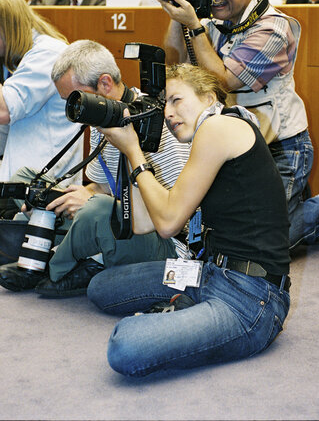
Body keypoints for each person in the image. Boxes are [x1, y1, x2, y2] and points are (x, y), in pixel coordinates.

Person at [87, 63, 291, 378]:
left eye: (176, 100)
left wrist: (135, 153)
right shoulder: (204, 142)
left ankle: (186, 315)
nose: (167, 113)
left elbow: (168, 223)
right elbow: (144, 223)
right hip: (205, 273)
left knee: (126, 345)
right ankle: (187, 309)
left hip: (250, 297)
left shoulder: (219, 127)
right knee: (102, 287)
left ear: (210, 98)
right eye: (164, 103)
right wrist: (132, 150)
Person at [160, 0, 319, 251]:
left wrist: (196, 27)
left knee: (260, 245)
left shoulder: (275, 28)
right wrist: (179, 20)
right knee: (218, 233)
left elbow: (225, 81)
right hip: (230, 146)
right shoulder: (212, 21)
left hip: (280, 149)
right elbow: (174, 66)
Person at [0, 40, 191, 295]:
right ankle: (76, 253)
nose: (73, 111)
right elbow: (101, 184)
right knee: (28, 181)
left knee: (97, 209)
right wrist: (71, 196)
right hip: (120, 216)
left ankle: (50, 267)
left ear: (104, 84)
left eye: (75, 99)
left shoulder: (155, 123)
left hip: (163, 241)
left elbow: (176, 210)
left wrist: (92, 199)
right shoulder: (102, 116)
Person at [0, 0, 83, 188]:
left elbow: (4, 111)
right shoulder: (20, 58)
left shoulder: (48, 53)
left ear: (7, 27)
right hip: (25, 179)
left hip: (45, 184)